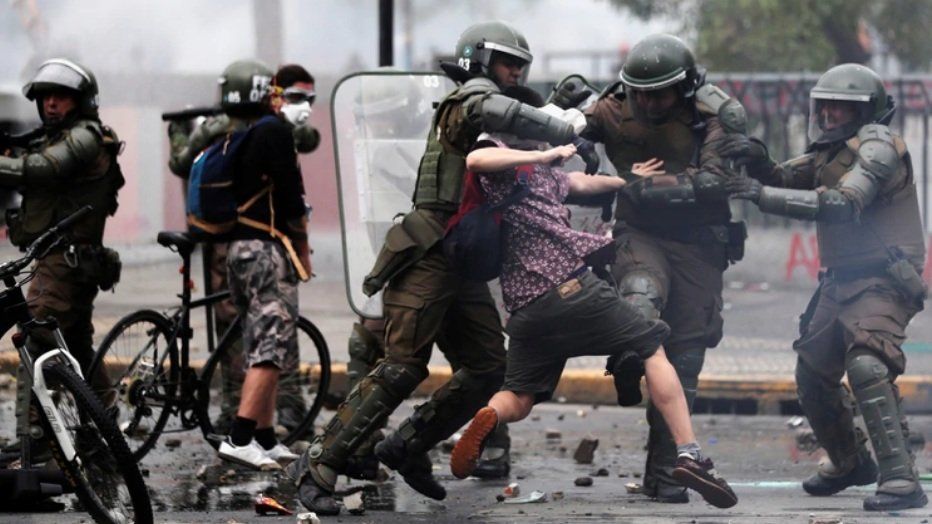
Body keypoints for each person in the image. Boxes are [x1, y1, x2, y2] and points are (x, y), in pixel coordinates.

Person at [286, 21, 578, 516]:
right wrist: (561, 126)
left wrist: (569, 118)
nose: (515, 72)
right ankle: (316, 467)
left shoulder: (491, 117)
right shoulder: (466, 102)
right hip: (427, 252)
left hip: (461, 257)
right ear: (480, 60)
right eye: (507, 62)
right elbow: (492, 108)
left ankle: (408, 444)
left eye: (521, 65)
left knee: (488, 367)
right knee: (402, 365)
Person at [448, 85, 737, 511]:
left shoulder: (538, 176)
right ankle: (690, 454)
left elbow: (582, 182)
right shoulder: (511, 162)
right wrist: (543, 155)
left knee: (520, 397)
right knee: (652, 344)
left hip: (526, 311)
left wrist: (630, 179)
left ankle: (489, 415)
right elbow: (476, 160)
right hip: (572, 290)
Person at [721, 63, 927, 512]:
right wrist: (757, 159)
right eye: (826, 105)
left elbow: (843, 202)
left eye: (841, 107)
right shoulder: (830, 152)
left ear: (865, 111)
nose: (830, 114)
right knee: (813, 373)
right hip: (841, 279)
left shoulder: (879, 147)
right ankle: (849, 462)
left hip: (885, 280)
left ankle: (900, 479)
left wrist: (761, 195)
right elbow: (785, 176)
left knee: (867, 364)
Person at [569, 33, 749, 503]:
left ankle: (668, 473)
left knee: (684, 358)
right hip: (640, 234)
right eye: (640, 93)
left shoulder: (714, 115)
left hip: (698, 244)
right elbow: (561, 133)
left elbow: (714, 182)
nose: (647, 103)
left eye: (659, 94)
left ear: (684, 89)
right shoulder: (613, 108)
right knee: (641, 296)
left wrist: (636, 186)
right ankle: (628, 354)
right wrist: (565, 125)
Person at [167, 63, 320, 434]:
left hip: (226, 241)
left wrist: (178, 132)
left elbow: (179, 162)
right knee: (271, 326)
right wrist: (302, 245)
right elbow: (307, 143)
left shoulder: (216, 128)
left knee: (240, 326)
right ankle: (273, 414)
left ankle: (241, 414)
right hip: (263, 237)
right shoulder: (273, 127)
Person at [0, 58, 124, 399]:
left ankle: (34, 430)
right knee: (76, 346)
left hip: (64, 262)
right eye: (46, 97)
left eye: (61, 96)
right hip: (64, 259)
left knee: (36, 343)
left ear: (81, 100)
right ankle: (104, 419)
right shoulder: (55, 137)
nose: (51, 103)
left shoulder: (86, 135)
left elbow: (44, 167)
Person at [211, 59, 311, 470]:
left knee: (260, 342)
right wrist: (303, 247)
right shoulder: (275, 132)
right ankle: (239, 439)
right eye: (296, 96)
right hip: (267, 250)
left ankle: (265, 439)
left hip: (240, 250)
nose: (304, 105)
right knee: (270, 347)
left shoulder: (248, 132)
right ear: (273, 96)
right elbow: (290, 198)